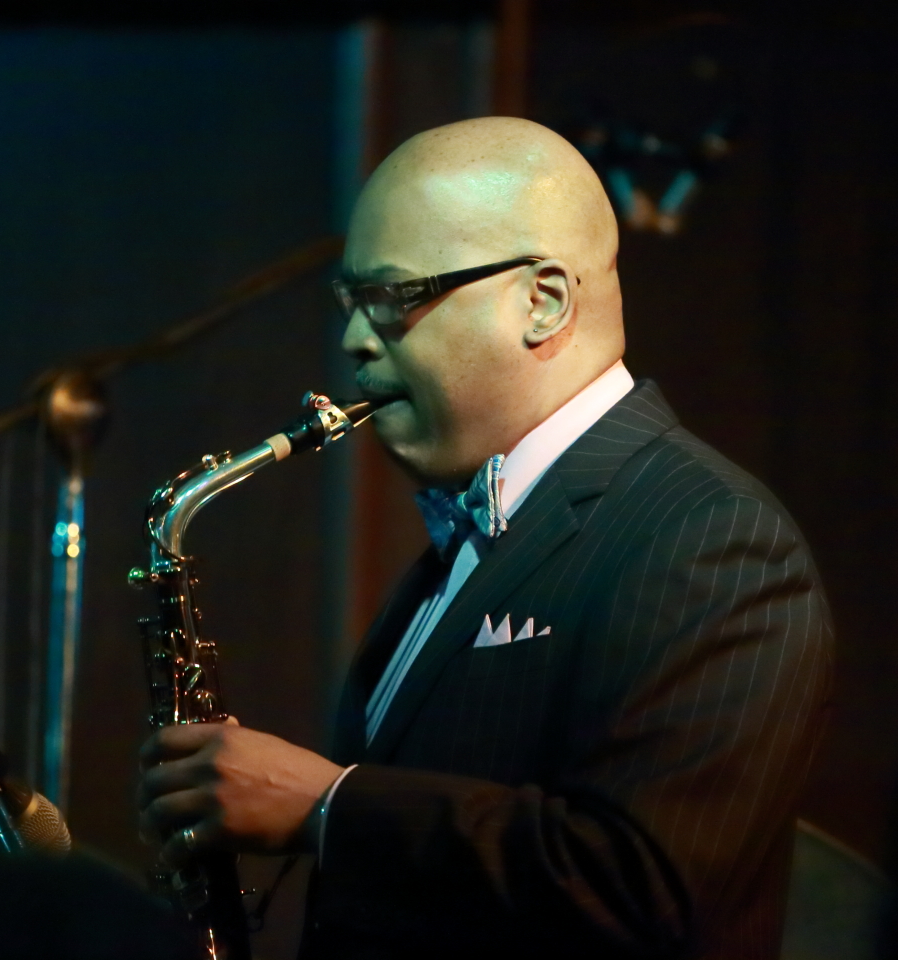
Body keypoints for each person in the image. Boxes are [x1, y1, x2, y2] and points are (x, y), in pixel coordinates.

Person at [137, 117, 832, 959]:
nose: (355, 338)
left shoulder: (713, 535)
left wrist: (328, 807)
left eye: (395, 298)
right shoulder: (476, 529)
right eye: (349, 302)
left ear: (543, 302)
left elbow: (643, 886)